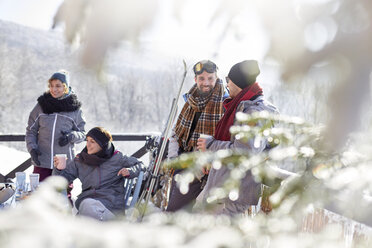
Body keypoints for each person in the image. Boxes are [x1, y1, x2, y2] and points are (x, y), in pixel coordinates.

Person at [196, 60, 279, 215]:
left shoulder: (255, 112)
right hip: (222, 186)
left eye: (229, 80)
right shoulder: (240, 105)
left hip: (234, 194)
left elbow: (243, 152)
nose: (227, 84)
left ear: (239, 83)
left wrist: (211, 145)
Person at [166, 60, 227, 212]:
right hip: (183, 165)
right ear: (195, 80)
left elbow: (227, 139)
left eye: (210, 78)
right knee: (175, 211)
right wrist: (174, 159)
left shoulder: (226, 103)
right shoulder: (191, 101)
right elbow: (176, 132)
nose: (206, 83)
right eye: (201, 79)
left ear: (217, 77)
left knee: (181, 213)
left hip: (206, 171)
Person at [53, 127, 143, 221]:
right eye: (87, 140)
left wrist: (130, 171)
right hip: (88, 206)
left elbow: (140, 165)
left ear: (102, 144)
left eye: (92, 141)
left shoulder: (117, 157)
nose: (88, 144)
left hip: (111, 208)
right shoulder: (81, 160)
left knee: (86, 207)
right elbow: (62, 180)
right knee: (86, 207)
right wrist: (58, 168)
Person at [26, 70, 86, 182]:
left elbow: (83, 134)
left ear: (66, 87)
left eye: (58, 86)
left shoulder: (75, 109)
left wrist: (71, 136)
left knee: (62, 196)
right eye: (51, 86)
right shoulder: (41, 106)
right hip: (42, 161)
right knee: (39, 195)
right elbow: (31, 131)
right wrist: (32, 148)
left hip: (63, 164)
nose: (54, 89)